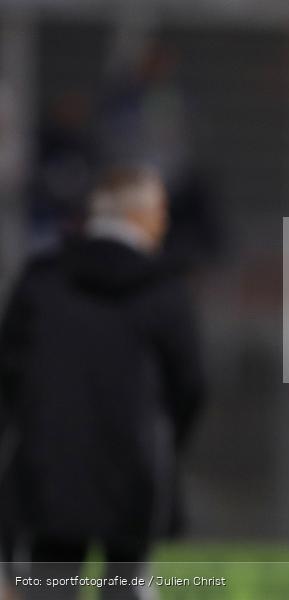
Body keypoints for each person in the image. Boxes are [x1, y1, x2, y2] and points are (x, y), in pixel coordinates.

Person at [0, 166, 205, 599]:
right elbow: (190, 387)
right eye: (161, 211)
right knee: (125, 588)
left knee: (47, 589)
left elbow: (9, 379)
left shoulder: (43, 281)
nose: (165, 222)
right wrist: (166, 445)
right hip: (135, 479)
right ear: (142, 215)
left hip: (47, 475)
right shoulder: (163, 290)